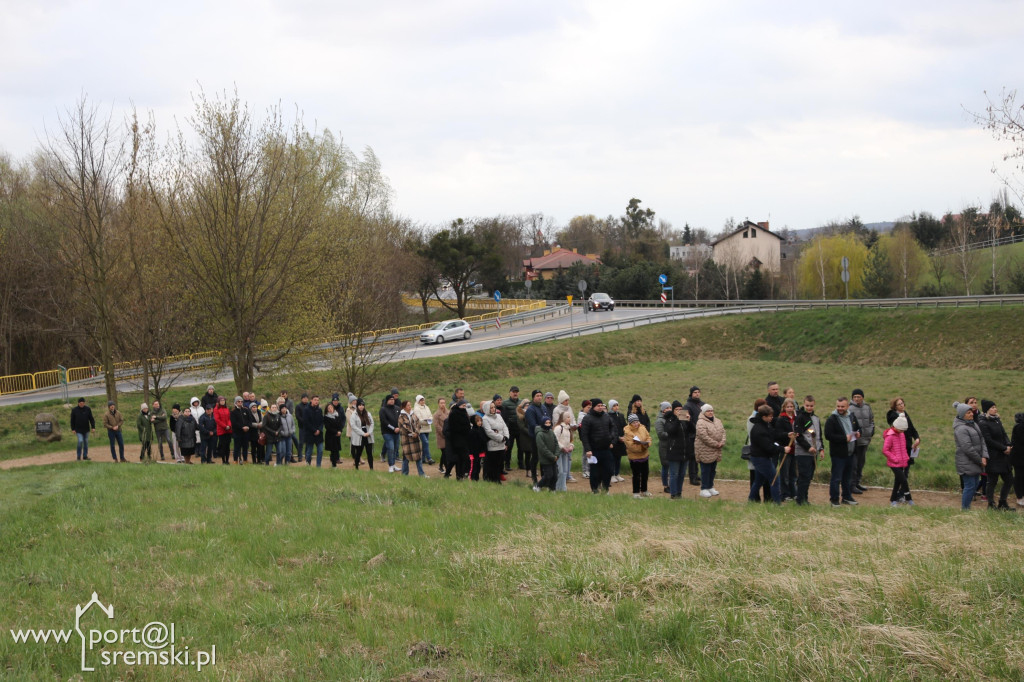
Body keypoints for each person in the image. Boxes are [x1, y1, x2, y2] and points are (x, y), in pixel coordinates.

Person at [824, 397, 861, 507]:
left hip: (851, 452)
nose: (840, 408)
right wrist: (843, 438)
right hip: (838, 454)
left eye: (842, 406)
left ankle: (847, 497)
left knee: (848, 477)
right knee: (836, 478)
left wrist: (858, 433)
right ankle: (834, 499)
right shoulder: (832, 419)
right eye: (838, 406)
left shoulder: (852, 416)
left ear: (847, 406)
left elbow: (857, 428)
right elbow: (828, 435)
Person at [749, 404, 789, 504]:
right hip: (761, 458)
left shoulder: (765, 425)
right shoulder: (759, 430)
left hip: (761, 457)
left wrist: (787, 434)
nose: (772, 418)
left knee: (758, 481)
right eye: (770, 416)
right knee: (775, 479)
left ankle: (751, 500)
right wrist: (783, 449)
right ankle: (777, 503)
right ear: (764, 417)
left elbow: (773, 434)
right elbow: (769, 447)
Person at [978, 400, 1014, 510]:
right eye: (993, 407)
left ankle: (1002, 502)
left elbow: (1004, 434)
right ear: (987, 410)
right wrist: (1003, 448)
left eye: (995, 407)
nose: (995, 409)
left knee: (1009, 480)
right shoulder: (983, 422)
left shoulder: (997, 420)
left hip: (1004, 456)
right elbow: (988, 440)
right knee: (992, 481)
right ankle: (991, 504)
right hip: (993, 456)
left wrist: (1008, 445)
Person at [886, 397, 921, 504]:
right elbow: (897, 429)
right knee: (901, 476)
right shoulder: (893, 416)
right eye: (899, 404)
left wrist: (917, 438)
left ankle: (900, 495)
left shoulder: (905, 414)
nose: (902, 406)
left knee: (905, 474)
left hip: (907, 448)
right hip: (898, 451)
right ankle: (902, 497)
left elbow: (911, 428)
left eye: (902, 403)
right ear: (895, 406)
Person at [954, 401, 987, 510]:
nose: (971, 414)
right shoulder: (961, 429)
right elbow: (967, 448)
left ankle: (967, 508)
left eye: (971, 412)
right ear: (962, 414)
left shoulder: (973, 424)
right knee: (969, 486)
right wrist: (979, 460)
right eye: (968, 413)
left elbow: (982, 440)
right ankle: (965, 509)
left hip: (976, 461)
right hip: (966, 462)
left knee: (974, 485)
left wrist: (984, 456)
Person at [580, 398, 615, 494]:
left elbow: (612, 427)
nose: (600, 408)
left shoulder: (606, 416)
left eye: (601, 406)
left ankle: (605, 489)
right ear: (593, 407)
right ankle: (594, 490)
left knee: (608, 470)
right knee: (595, 472)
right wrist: (588, 449)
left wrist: (611, 438)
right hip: (594, 450)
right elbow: (584, 435)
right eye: (598, 406)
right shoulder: (587, 418)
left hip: (606, 448)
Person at [793, 396, 823, 505]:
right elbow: (799, 436)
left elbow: (818, 435)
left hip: (814, 453)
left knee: (809, 477)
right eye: (807, 406)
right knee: (804, 476)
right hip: (803, 453)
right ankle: (800, 500)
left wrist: (821, 448)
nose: (809, 408)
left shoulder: (816, 418)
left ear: (814, 405)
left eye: (811, 406)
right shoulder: (800, 418)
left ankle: (805, 499)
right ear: (804, 404)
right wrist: (808, 447)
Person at [848, 389, 875, 494]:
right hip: (855, 440)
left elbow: (871, 420)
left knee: (861, 462)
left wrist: (871, 430)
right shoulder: (850, 408)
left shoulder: (867, 407)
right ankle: (852, 484)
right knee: (854, 463)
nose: (856, 399)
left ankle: (858, 482)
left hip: (865, 439)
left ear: (862, 397)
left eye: (858, 396)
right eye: (855, 397)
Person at [695, 404, 725, 498]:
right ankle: (704, 488)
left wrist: (722, 441)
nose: (711, 412)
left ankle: (710, 486)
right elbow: (703, 436)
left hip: (716, 450)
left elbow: (723, 432)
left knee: (713, 470)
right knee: (705, 470)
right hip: (705, 450)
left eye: (712, 410)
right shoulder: (700, 422)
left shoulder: (718, 421)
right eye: (708, 411)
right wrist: (716, 443)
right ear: (704, 412)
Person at [882, 415, 911, 507]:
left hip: (902, 462)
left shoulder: (901, 434)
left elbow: (903, 448)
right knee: (903, 480)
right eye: (901, 430)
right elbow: (885, 450)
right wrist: (895, 459)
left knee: (898, 481)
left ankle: (893, 500)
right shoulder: (890, 436)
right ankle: (909, 499)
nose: (902, 432)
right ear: (896, 427)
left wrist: (906, 457)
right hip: (894, 463)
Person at [623, 413, 653, 498]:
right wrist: (643, 446)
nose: (636, 424)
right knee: (636, 475)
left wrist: (647, 444)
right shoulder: (628, 432)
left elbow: (648, 438)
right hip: (634, 457)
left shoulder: (642, 428)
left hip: (645, 455)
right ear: (630, 423)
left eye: (637, 421)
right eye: (634, 422)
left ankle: (644, 490)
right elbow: (631, 446)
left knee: (645, 473)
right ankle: (636, 492)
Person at [663, 401, 689, 499]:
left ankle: (679, 493)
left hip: (684, 451)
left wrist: (689, 421)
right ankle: (673, 494)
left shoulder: (684, 420)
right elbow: (671, 430)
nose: (679, 411)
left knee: (682, 474)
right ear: (673, 411)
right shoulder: (669, 420)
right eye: (677, 409)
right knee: (674, 474)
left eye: (680, 409)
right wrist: (678, 420)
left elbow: (691, 431)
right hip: (673, 451)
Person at [525, 390, 549, 484]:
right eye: (537, 395)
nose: (539, 397)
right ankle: (534, 477)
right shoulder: (530, 409)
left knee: (544, 457)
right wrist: (543, 430)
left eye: (540, 395)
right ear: (533, 397)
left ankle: (544, 477)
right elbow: (532, 424)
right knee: (535, 457)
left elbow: (548, 420)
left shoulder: (543, 407)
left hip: (545, 436)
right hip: (535, 436)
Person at [775, 398, 797, 501]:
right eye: (788, 407)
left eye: (791, 407)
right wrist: (787, 435)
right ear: (784, 408)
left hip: (795, 449)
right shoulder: (781, 419)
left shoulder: (796, 419)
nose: (789, 408)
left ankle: (794, 492)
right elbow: (777, 434)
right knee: (785, 474)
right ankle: (785, 494)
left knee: (793, 473)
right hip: (786, 449)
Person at [482, 400, 509, 483]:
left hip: (501, 445)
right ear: (487, 409)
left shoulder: (499, 416)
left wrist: (506, 437)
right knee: (493, 464)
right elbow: (489, 432)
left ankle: (497, 478)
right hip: (492, 446)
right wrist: (501, 438)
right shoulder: (485, 419)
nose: (493, 409)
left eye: (494, 407)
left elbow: (505, 427)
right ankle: (492, 479)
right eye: (491, 408)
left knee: (499, 463)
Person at [398, 399, 426, 477]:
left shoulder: (413, 414)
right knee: (406, 457)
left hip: (415, 439)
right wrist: (412, 433)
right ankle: (404, 474)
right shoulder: (401, 416)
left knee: (418, 457)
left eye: (410, 405)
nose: (410, 407)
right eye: (408, 405)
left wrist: (416, 432)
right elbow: (404, 427)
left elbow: (418, 423)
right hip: (406, 440)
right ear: (404, 407)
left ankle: (421, 474)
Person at [683, 387, 704, 486]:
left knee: (699, 456)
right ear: (691, 394)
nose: (697, 394)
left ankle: (696, 473)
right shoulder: (686, 406)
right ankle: (692, 477)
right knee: (692, 456)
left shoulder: (703, 405)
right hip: (691, 435)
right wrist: (695, 428)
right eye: (695, 392)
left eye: (698, 392)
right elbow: (683, 421)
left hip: (702, 434)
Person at [447, 399, 472, 480]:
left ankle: (462, 474)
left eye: (465, 405)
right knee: (458, 459)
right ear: (459, 405)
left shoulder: (464, 412)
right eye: (463, 405)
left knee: (464, 458)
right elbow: (453, 427)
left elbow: (467, 424)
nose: (464, 407)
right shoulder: (454, 413)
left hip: (465, 439)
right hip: (457, 440)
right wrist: (464, 429)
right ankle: (458, 475)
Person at [534, 416, 558, 492]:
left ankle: (552, 489)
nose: (548, 424)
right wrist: (552, 456)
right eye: (546, 423)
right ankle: (538, 486)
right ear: (542, 423)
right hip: (545, 459)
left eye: (549, 423)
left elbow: (556, 443)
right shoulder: (540, 434)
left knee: (555, 476)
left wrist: (557, 455)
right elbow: (542, 448)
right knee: (548, 475)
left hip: (554, 458)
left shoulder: (551, 432)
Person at [350, 399, 374, 469]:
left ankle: (371, 468)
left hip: (368, 434)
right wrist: (363, 434)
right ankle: (357, 467)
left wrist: (369, 432)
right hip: (359, 435)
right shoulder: (354, 415)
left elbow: (372, 423)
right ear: (357, 406)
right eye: (360, 405)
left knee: (369, 453)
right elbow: (353, 426)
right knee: (358, 452)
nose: (361, 407)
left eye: (363, 405)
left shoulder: (368, 413)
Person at [379, 393, 401, 472]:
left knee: (395, 448)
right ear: (387, 400)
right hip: (387, 432)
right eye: (390, 400)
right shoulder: (383, 409)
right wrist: (393, 428)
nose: (392, 401)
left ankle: (394, 464)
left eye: (393, 399)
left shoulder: (397, 408)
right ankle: (390, 465)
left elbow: (400, 419)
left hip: (397, 432)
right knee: (390, 448)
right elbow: (384, 421)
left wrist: (399, 427)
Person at [653, 401, 672, 493]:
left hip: (673, 446)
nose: (668, 410)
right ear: (662, 410)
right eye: (667, 408)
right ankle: (665, 485)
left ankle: (672, 484)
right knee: (665, 466)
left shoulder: (672, 418)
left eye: (670, 408)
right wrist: (672, 434)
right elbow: (660, 434)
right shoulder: (659, 421)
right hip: (664, 446)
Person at [554, 410, 574, 491]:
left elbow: (571, 440)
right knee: (560, 471)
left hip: (566, 453)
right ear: (563, 418)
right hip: (559, 452)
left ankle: (563, 488)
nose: (569, 419)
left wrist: (571, 446)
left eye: (570, 417)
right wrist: (562, 447)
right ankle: (557, 488)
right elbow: (555, 440)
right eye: (567, 417)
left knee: (565, 471)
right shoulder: (559, 428)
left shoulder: (568, 429)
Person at [501, 386, 521, 471]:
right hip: (510, 428)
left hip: (520, 427)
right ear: (510, 393)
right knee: (509, 446)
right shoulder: (505, 403)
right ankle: (507, 464)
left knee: (521, 447)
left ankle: (521, 464)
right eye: (513, 392)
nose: (515, 393)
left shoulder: (521, 402)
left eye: (516, 391)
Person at [608, 399, 627, 483]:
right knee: (612, 458)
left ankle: (617, 474)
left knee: (618, 458)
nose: (616, 407)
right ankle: (611, 475)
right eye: (614, 406)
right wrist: (617, 437)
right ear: (611, 407)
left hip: (621, 441)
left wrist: (624, 436)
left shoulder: (621, 415)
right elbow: (609, 429)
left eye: (617, 405)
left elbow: (625, 427)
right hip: (613, 440)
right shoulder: (608, 416)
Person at [303, 395, 325, 467]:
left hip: (319, 434)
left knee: (320, 450)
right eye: (315, 400)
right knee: (309, 451)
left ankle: (318, 466)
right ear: (311, 400)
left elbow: (322, 421)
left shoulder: (319, 410)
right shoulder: (306, 410)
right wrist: (314, 430)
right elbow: (306, 422)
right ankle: (308, 464)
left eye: (318, 400)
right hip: (310, 434)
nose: (316, 401)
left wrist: (319, 429)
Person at [413, 395, 435, 465]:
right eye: (421, 400)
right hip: (421, 429)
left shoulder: (427, 407)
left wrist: (430, 419)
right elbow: (419, 420)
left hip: (427, 428)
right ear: (418, 401)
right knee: (425, 442)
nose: (422, 401)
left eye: (423, 400)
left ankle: (422, 459)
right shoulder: (416, 409)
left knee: (425, 444)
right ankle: (429, 458)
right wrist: (427, 421)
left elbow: (430, 416)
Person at [213, 395, 232, 464]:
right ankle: (223, 460)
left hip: (228, 429)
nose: (223, 402)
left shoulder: (226, 408)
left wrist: (229, 425)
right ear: (218, 401)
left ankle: (227, 460)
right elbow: (217, 420)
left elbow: (229, 418)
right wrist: (224, 426)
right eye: (221, 400)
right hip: (221, 430)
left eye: (224, 400)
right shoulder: (216, 409)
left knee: (228, 446)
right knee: (223, 446)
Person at [324, 402, 344, 467]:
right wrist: (336, 432)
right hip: (330, 436)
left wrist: (340, 431)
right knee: (333, 451)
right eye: (328, 408)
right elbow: (328, 427)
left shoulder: (337, 415)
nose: (330, 409)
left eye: (331, 407)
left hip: (337, 436)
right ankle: (334, 465)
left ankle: (334, 463)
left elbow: (340, 424)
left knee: (336, 450)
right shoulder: (326, 417)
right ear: (327, 410)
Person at [433, 398, 449, 475]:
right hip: (441, 436)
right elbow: (437, 426)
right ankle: (446, 469)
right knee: (444, 452)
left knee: (445, 453)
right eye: (441, 403)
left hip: (448, 435)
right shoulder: (436, 414)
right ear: (438, 404)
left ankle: (440, 466)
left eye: (444, 402)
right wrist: (444, 433)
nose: (443, 404)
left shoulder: (448, 412)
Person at [1011, 413, 1024, 507]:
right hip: (1018, 458)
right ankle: (1019, 497)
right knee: (1019, 477)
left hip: (1019, 457)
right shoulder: (1019, 427)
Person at [578, 400, 592, 479]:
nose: (589, 409)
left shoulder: (589, 415)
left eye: (590, 407)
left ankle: (589, 470)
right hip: (585, 438)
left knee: (590, 454)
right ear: (584, 407)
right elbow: (581, 429)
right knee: (585, 454)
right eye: (588, 407)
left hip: (591, 438)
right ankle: (585, 470)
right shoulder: (581, 416)